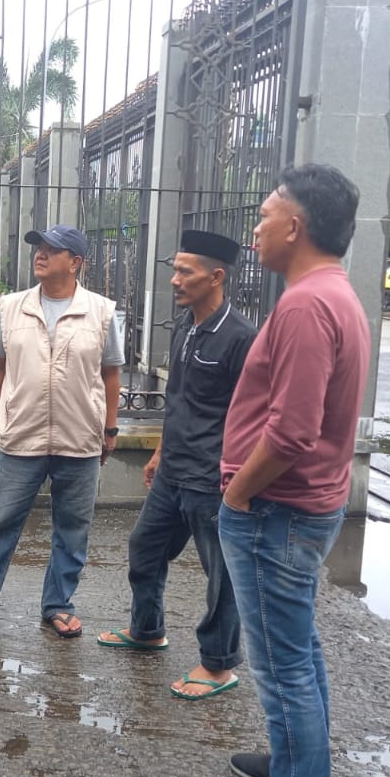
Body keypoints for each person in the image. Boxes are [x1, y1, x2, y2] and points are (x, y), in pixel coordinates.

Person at [208, 165, 371, 777]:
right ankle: (294, 767)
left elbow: (292, 432)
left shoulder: (307, 306)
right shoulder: (333, 293)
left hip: (276, 512)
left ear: (295, 227)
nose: (257, 228)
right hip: (300, 508)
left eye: (266, 215)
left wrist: (238, 493)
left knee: (283, 668)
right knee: (297, 651)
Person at [0, 224, 124, 640]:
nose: (40, 254)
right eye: (38, 247)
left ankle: (58, 605)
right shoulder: (12, 307)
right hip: (22, 438)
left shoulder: (100, 311)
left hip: (80, 439)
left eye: (52, 249)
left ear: (75, 263)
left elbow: (111, 373)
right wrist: (5, 414)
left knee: (72, 530)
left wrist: (110, 428)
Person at [95, 230, 255, 702]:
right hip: (174, 471)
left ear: (216, 276)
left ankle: (218, 664)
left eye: (186, 271)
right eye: (175, 269)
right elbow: (179, 399)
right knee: (145, 548)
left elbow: (253, 416)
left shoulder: (241, 338)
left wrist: (239, 482)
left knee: (221, 574)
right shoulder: (186, 326)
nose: (174, 279)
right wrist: (161, 452)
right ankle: (147, 630)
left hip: (213, 478)